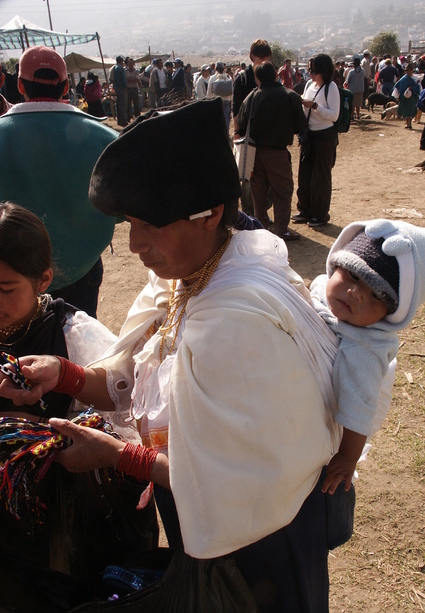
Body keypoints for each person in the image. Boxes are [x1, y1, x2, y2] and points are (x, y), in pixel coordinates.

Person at [1, 99, 348, 612]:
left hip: (262, 537)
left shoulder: (235, 323)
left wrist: (115, 454)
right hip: (216, 524)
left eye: (149, 223)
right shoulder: (188, 277)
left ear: (209, 215)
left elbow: (228, 480)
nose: (135, 243)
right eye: (129, 223)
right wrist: (65, 375)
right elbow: (139, 375)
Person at [0, 202, 158, 609]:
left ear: (44, 279)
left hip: (65, 528)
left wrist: (33, 433)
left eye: (5, 290)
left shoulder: (74, 336)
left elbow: (124, 421)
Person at [309, 219, 425, 496]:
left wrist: (346, 457)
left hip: (328, 431)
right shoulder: (320, 286)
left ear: (391, 313)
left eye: (376, 294)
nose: (355, 293)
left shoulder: (365, 348)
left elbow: (359, 407)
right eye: (353, 276)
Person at [0, 46, 118, 318]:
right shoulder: (104, 138)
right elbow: (122, 208)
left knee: (21, 355)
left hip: (14, 279)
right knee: (77, 345)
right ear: (65, 86)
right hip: (83, 270)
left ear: (19, 84)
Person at [237, 61, 306, 241]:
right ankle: (281, 230)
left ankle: (262, 230)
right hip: (277, 153)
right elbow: (300, 126)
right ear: (276, 74)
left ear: (257, 77)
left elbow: (241, 124)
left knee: (258, 193)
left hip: (254, 154)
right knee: (282, 192)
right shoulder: (290, 96)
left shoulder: (251, 97)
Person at [293, 53, 340, 228]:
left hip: (324, 137)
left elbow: (334, 115)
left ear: (323, 71)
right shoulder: (309, 85)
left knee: (321, 177)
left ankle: (320, 214)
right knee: (304, 174)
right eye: (309, 70)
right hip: (309, 136)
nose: (311, 74)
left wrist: (314, 106)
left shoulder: (331, 87)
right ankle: (304, 210)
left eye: (314, 71)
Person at [232, 39, 272, 216]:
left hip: (269, 135)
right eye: (260, 57)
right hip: (247, 134)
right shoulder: (243, 79)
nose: (263, 61)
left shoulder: (272, 75)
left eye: (266, 57)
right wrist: (236, 132)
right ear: (251, 57)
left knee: (268, 175)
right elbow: (236, 109)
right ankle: (249, 214)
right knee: (248, 176)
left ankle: (262, 211)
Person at [393, 63, 421, 129]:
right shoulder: (403, 79)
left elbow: (419, 87)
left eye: (410, 70)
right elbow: (398, 88)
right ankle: (407, 123)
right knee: (406, 111)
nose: (409, 72)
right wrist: (397, 97)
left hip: (413, 98)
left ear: (412, 71)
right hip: (404, 98)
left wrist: (412, 88)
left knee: (411, 111)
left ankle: (410, 124)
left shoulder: (416, 79)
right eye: (407, 70)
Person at [207, 60, 232, 132]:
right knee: (226, 122)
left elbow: (209, 93)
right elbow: (231, 93)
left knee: (217, 122)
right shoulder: (228, 77)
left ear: (215, 69)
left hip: (216, 102)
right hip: (227, 103)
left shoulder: (212, 78)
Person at [109, 55, 128, 127]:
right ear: (121, 61)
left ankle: (119, 120)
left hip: (116, 87)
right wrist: (126, 86)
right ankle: (123, 120)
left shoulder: (114, 68)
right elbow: (123, 79)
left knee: (118, 104)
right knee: (123, 105)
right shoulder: (121, 68)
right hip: (122, 88)